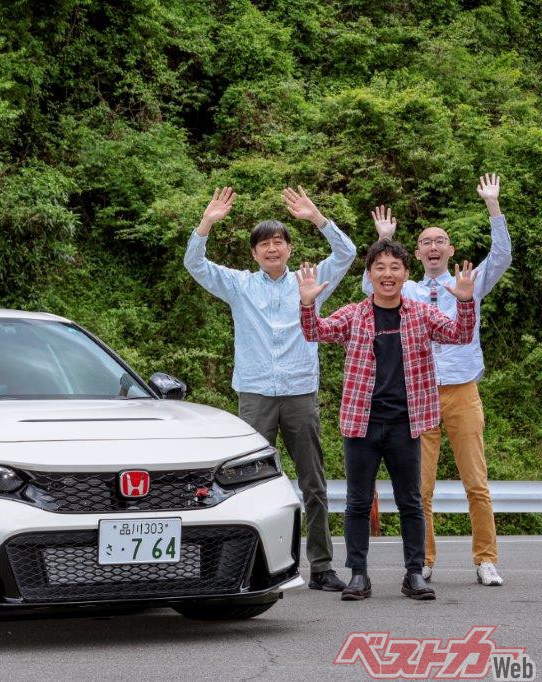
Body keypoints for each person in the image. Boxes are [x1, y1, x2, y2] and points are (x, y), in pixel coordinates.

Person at [184, 186, 357, 592]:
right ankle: (250, 568)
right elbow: (195, 263)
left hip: (299, 392)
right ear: (254, 253)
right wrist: (206, 222)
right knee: (247, 483)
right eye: (264, 244)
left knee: (313, 481)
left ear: (290, 249)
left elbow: (346, 253)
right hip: (256, 394)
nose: (272, 248)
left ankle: (322, 566)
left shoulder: (309, 280)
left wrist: (317, 218)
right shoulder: (240, 285)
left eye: (279, 241)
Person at [298, 241, 476, 601]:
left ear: (406, 274)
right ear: (370, 274)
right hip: (361, 422)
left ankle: (414, 574)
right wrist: (306, 304)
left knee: (410, 501)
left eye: (395, 267)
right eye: (379, 267)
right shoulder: (354, 314)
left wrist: (465, 301)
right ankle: (358, 575)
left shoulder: (421, 313)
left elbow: (461, 334)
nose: (387, 274)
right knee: (357, 502)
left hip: (405, 423)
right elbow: (316, 331)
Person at [364, 174, 511, 587]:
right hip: (419, 393)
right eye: (426, 241)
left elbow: (501, 256)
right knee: (419, 486)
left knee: (476, 482)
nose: (433, 246)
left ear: (450, 250)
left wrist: (493, 206)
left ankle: (486, 559)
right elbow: (370, 285)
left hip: (463, 390)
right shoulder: (406, 289)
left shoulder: (468, 281)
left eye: (440, 241)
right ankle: (423, 560)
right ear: (417, 253)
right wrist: (383, 240)